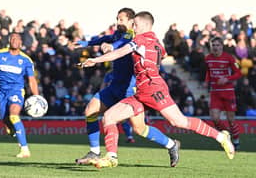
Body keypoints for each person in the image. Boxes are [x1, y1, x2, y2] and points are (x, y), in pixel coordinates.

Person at [80, 11, 235, 169]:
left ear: (146, 25)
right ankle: (111, 157)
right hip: (141, 92)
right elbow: (160, 54)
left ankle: (221, 136)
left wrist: (95, 60)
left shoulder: (140, 39)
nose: (133, 27)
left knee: (179, 121)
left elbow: (119, 53)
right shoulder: (157, 42)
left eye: (136, 24)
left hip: (154, 90)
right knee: (109, 117)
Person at [75, 8, 180, 167]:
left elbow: (119, 44)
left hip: (130, 90)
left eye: (121, 19)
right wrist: (87, 43)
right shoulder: (118, 34)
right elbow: (107, 38)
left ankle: (171, 145)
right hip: (114, 87)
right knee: (90, 110)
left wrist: (110, 47)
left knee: (139, 128)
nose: (118, 22)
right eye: (117, 19)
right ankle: (96, 152)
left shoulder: (134, 37)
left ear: (132, 22)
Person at [0, 32, 39, 158]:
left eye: (17, 39)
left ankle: (25, 150)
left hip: (16, 91)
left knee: (14, 115)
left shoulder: (26, 60)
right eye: (12, 38)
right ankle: (13, 131)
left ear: (21, 43)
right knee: (7, 122)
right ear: (9, 41)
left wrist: (36, 97)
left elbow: (32, 80)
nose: (14, 40)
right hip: (1, 91)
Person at [205, 36, 242, 150]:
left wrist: (227, 78)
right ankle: (226, 137)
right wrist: (206, 82)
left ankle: (236, 140)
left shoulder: (229, 58)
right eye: (213, 45)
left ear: (222, 46)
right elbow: (208, 72)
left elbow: (238, 73)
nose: (215, 48)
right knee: (215, 118)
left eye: (217, 45)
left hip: (228, 92)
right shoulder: (208, 58)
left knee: (231, 120)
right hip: (215, 93)